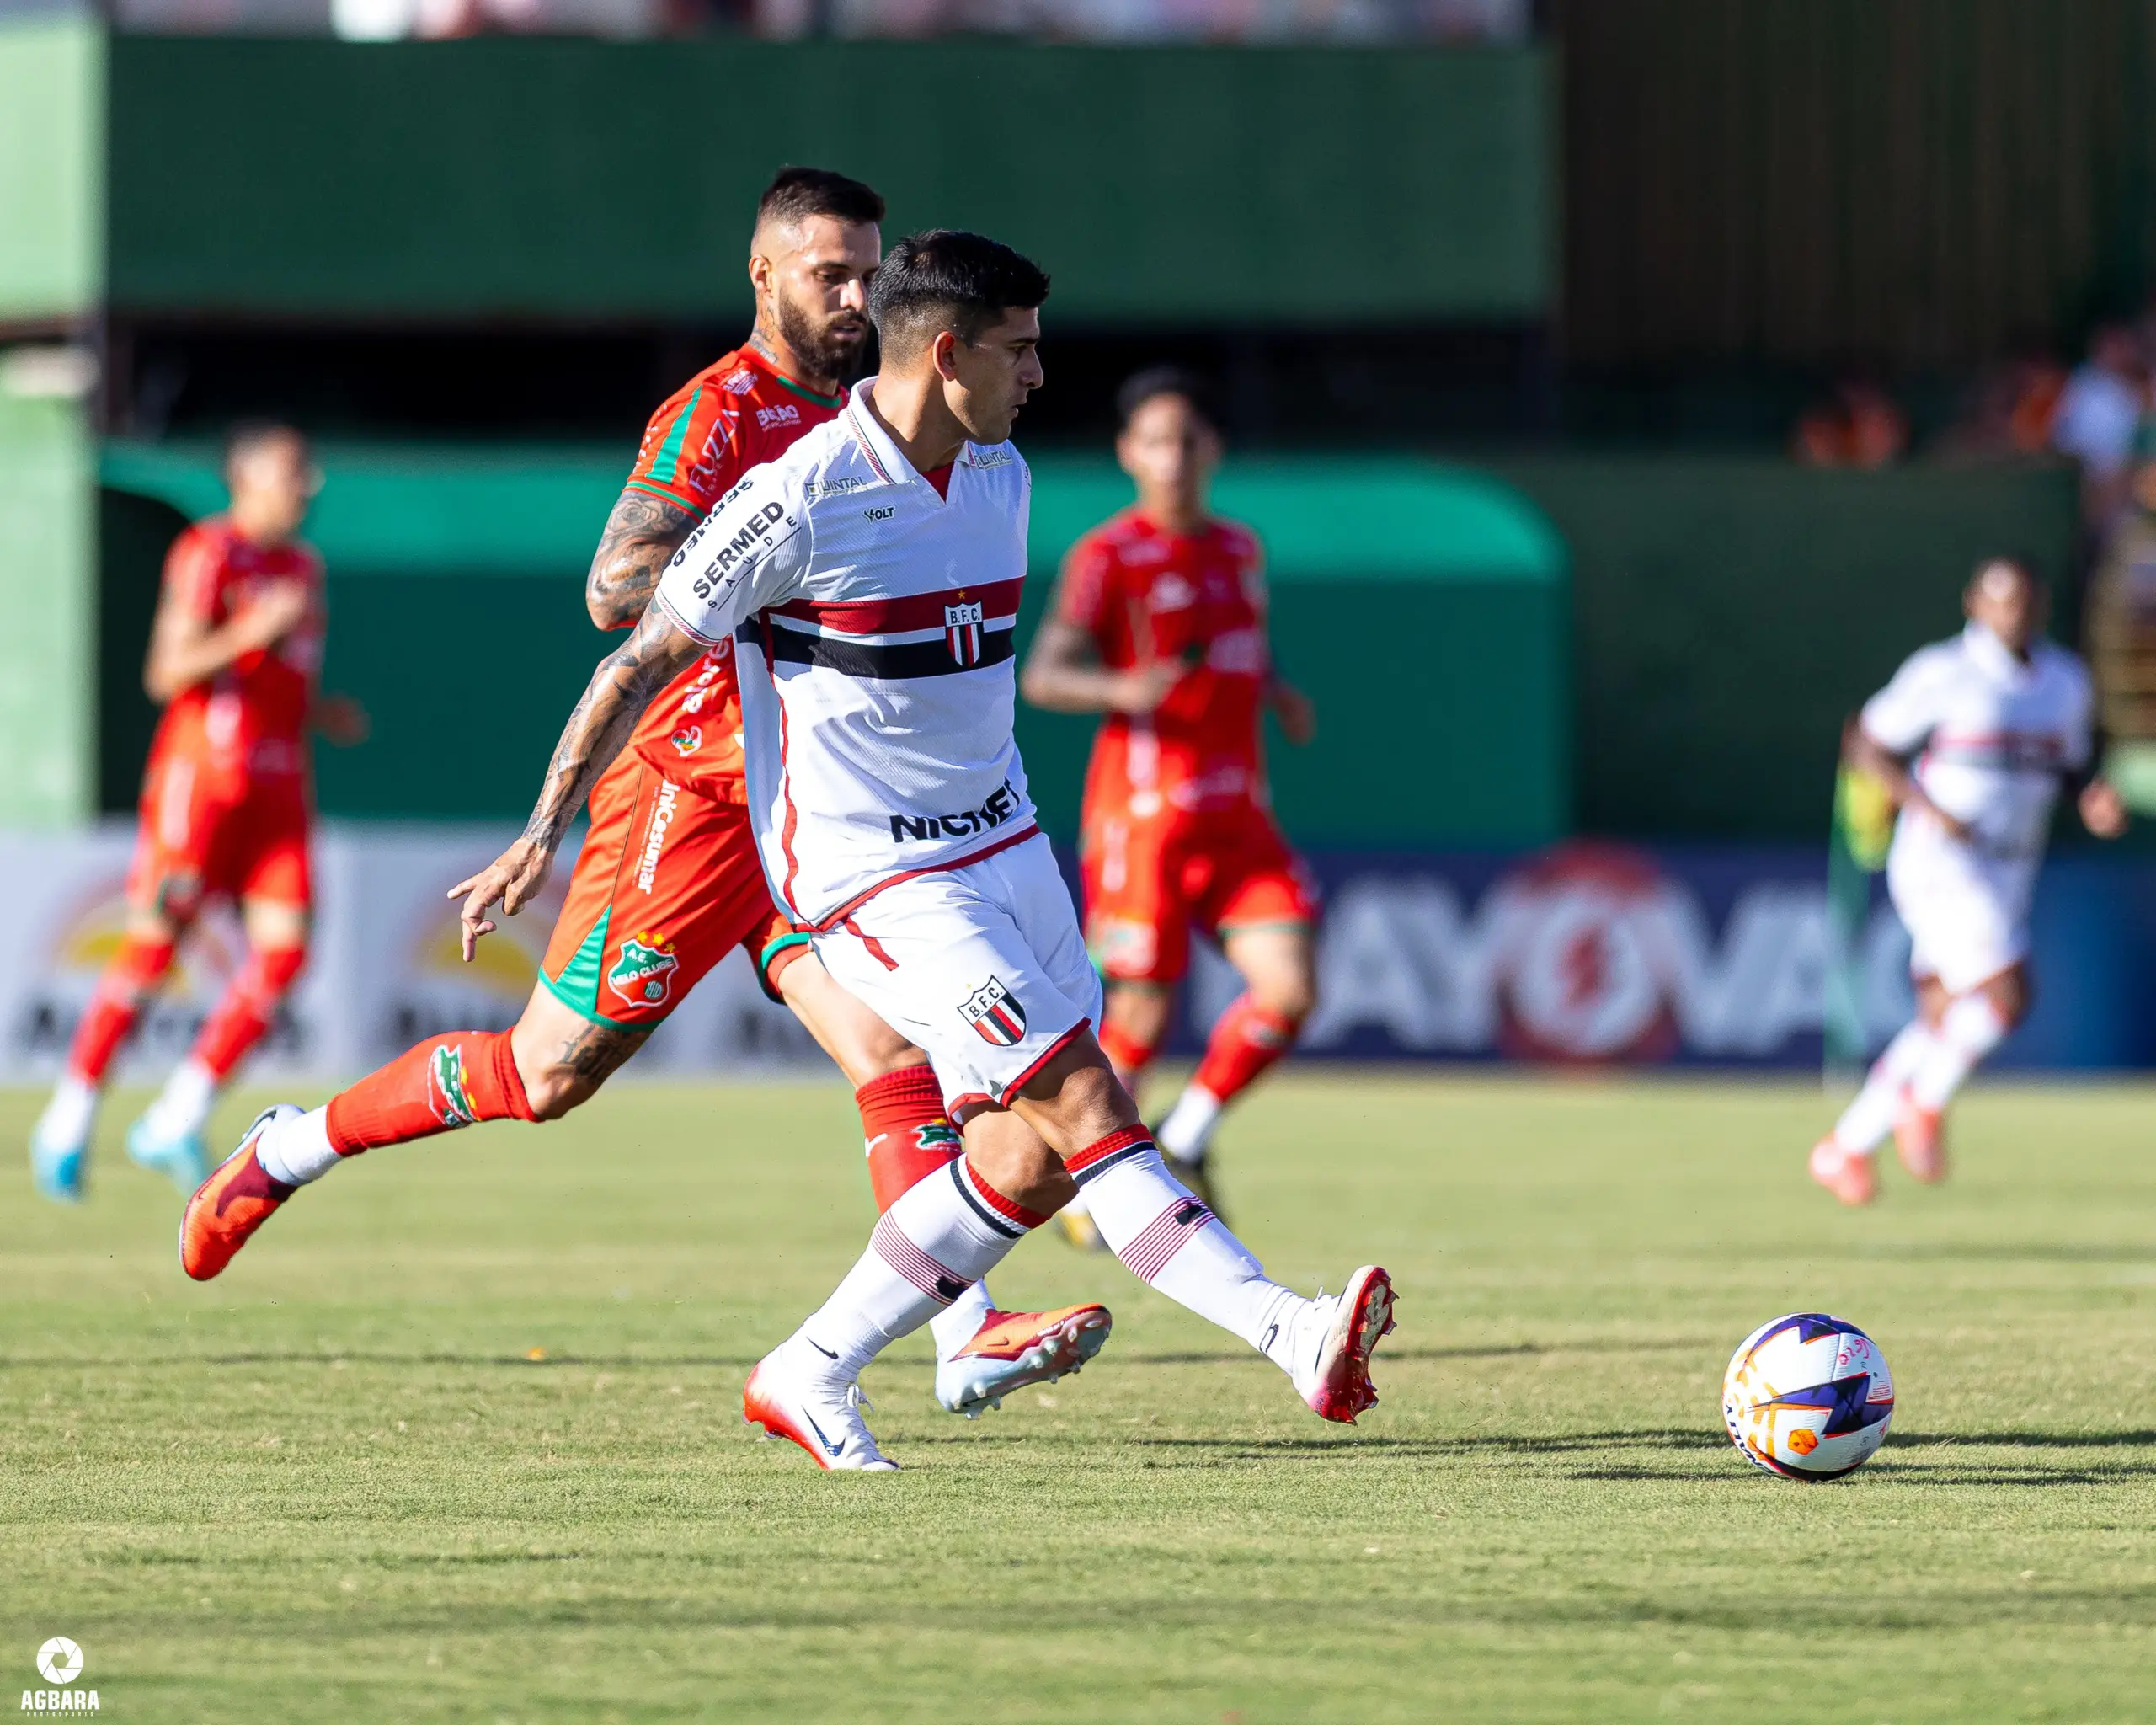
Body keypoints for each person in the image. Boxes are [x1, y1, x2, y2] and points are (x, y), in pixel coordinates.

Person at [429, 228, 1395, 1470]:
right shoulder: (796, 496)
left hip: (1009, 849)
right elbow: (635, 660)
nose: (1037, 375)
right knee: (1084, 1098)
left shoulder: (1002, 475)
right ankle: (1291, 1331)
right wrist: (538, 835)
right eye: (1018, 351)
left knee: (1028, 1160)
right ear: (946, 355)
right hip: (872, 878)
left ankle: (808, 1369)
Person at [178, 172, 1108, 1421]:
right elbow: (614, 588)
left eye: (867, 272)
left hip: (831, 810)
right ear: (763, 276)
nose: (854, 296)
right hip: (700, 795)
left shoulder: (896, 421)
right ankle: (294, 1142)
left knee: (892, 1054)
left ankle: (962, 1331)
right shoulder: (721, 414)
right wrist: (762, 557)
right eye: (828, 274)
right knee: (549, 1072)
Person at [1021, 368, 1319, 1246]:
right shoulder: (1108, 556)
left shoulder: (1239, 550)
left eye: (1188, 440)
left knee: (1291, 988)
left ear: (1212, 448)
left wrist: (1275, 690)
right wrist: (1121, 685)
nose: (1175, 458)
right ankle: (1090, 1185)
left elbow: (1240, 647)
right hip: (1143, 819)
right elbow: (1044, 674)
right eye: (1156, 441)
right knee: (1140, 1016)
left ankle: (1185, 1134)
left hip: (1238, 815)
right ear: (1128, 453)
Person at [29, 425, 364, 1202]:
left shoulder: (303, 568)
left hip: (280, 783)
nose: (308, 485)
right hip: (203, 781)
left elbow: (280, 679)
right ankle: (69, 1116)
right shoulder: (210, 552)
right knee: (157, 944)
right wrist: (249, 631)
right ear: (246, 479)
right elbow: (166, 671)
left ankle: (177, 1115)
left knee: (285, 954)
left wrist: (321, 713)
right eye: (292, 471)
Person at [1810, 556, 2127, 1205]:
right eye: (2000, 601)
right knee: (2008, 994)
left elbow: (2067, 766)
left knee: (1944, 1018)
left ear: (2040, 607)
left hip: (2012, 864)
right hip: (1942, 858)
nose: (2013, 615)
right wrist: (1925, 807)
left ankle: (1844, 1148)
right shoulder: (1944, 672)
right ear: (1974, 606)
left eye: (2024, 602)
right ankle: (1923, 1103)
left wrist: (2090, 797)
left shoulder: (2064, 682)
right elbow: (1865, 742)